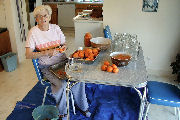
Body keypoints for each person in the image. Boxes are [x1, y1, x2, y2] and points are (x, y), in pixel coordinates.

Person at [25, 5, 91, 120]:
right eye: (39, 17)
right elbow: (28, 54)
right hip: (47, 66)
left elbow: (63, 44)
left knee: (79, 78)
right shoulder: (33, 32)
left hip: (63, 61)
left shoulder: (56, 28)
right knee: (61, 86)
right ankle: (62, 114)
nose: (43, 19)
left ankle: (83, 106)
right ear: (36, 19)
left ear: (49, 16)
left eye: (45, 15)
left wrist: (63, 47)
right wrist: (46, 52)